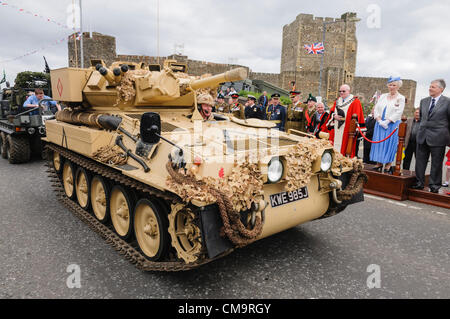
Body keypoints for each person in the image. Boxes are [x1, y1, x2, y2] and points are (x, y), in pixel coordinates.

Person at [412, 79, 450, 193]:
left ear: (441, 89)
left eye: (433, 87)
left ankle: (434, 186)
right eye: (430, 86)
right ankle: (419, 183)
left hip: (439, 137)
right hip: (422, 136)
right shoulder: (423, 101)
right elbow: (423, 118)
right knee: (420, 161)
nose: (430, 88)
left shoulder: (447, 102)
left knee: (436, 163)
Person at [370, 77, 406, 173]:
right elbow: (376, 108)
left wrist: (387, 121)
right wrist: (379, 120)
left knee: (390, 144)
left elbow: (399, 112)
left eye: (394, 85)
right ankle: (378, 163)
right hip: (380, 123)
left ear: (398, 86)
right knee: (379, 143)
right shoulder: (382, 96)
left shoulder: (401, 98)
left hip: (392, 125)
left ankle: (388, 165)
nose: (392, 87)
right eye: (390, 85)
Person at [327, 84, 365, 157]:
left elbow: (357, 116)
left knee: (346, 147)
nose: (341, 93)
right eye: (340, 91)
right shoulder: (337, 101)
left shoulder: (355, 101)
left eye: (343, 91)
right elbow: (331, 112)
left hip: (347, 130)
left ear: (349, 91)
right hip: (336, 129)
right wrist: (334, 116)